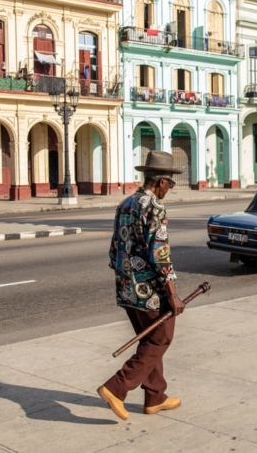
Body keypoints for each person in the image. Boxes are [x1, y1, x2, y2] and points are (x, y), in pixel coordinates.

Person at [98, 151, 185, 422]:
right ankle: (116, 387)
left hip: (126, 288)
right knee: (161, 339)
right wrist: (172, 294)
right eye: (170, 184)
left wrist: (126, 279)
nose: (169, 189)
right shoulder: (154, 207)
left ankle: (155, 396)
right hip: (150, 292)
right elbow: (160, 254)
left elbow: (114, 250)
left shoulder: (125, 203)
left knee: (149, 342)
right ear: (160, 182)